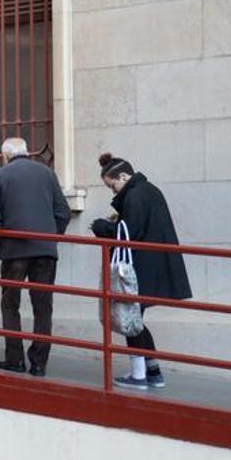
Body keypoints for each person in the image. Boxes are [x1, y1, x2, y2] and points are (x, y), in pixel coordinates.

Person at [91, 153, 192, 391]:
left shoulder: (135, 196)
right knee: (136, 319)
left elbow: (129, 230)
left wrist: (102, 226)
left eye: (112, 185)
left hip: (140, 268)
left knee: (130, 320)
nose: (113, 192)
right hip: (154, 264)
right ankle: (153, 370)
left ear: (123, 176)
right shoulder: (149, 191)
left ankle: (139, 375)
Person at [0, 137, 71, 377]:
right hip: (44, 250)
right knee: (43, 307)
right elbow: (62, 212)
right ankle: (39, 362)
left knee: (10, 304)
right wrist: (51, 237)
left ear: (5, 155)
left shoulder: (0, 176)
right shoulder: (47, 173)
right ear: (27, 151)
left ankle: (15, 358)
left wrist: (3, 242)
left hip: (14, 250)